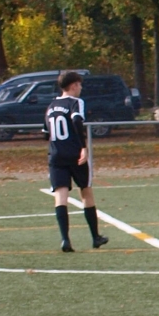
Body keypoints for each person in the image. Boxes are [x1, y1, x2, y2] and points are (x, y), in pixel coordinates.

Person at [44, 72, 108, 253]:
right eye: (79, 85)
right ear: (73, 86)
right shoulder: (75, 102)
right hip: (74, 154)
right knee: (86, 192)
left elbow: (46, 132)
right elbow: (77, 121)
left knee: (60, 197)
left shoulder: (51, 106)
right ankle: (95, 237)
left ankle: (65, 239)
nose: (81, 88)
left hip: (56, 155)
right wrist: (83, 147)